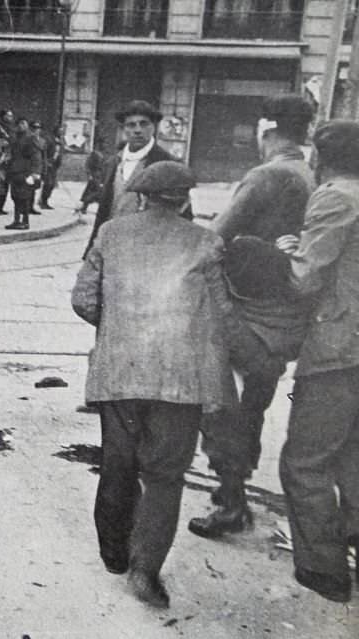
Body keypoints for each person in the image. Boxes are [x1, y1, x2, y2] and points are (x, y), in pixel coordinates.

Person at [72, 161, 237, 610]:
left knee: (118, 462)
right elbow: (221, 316)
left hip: (120, 374)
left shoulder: (111, 233)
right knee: (165, 476)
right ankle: (145, 572)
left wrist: (120, 328)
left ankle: (113, 554)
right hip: (179, 380)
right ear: (185, 200)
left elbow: (83, 299)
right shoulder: (206, 243)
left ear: (141, 197)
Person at [189, 95, 316, 540]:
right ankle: (233, 493)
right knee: (253, 408)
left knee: (220, 405)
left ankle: (230, 501)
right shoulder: (312, 173)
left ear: (267, 129)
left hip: (248, 316)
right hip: (290, 320)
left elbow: (214, 238)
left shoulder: (267, 175)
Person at [273, 120, 359, 603]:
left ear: (322, 158)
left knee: (305, 461)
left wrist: (286, 256)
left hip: (337, 348)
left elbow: (306, 279)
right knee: (354, 455)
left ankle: (323, 568)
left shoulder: (335, 196)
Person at [83, 100, 184, 257]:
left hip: (148, 252)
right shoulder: (112, 162)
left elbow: (183, 217)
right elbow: (104, 211)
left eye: (144, 124)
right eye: (131, 125)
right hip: (110, 247)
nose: (138, 130)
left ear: (154, 127)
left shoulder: (168, 164)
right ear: (123, 129)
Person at [4, 117, 42, 231]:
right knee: (15, 197)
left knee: (24, 197)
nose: (21, 126)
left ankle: (25, 221)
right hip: (15, 172)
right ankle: (16, 221)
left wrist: (35, 173)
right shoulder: (16, 138)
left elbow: (36, 156)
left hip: (26, 172)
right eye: (19, 124)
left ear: (27, 125)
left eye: (23, 123)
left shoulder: (31, 138)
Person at [75, 138, 107, 215]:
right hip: (95, 175)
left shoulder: (102, 153)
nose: (105, 145)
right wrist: (89, 175)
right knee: (97, 192)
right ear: (99, 144)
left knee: (92, 192)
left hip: (100, 175)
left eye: (106, 144)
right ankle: (84, 207)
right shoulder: (94, 153)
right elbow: (88, 164)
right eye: (104, 143)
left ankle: (83, 208)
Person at [38, 124, 63, 210]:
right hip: (48, 165)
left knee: (52, 185)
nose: (61, 132)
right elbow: (44, 151)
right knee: (48, 183)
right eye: (59, 130)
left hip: (54, 166)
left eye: (62, 131)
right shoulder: (49, 139)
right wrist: (46, 162)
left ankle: (45, 200)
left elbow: (59, 152)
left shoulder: (59, 141)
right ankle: (43, 201)